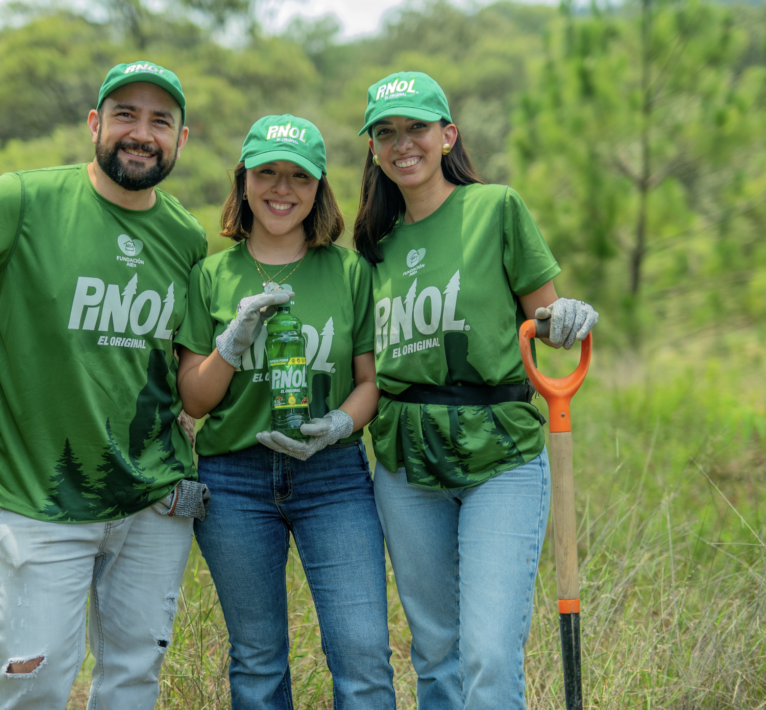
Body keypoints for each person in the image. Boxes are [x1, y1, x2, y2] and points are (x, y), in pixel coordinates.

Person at [0, 60, 210, 710]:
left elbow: (189, 371)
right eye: (125, 116)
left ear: (182, 140)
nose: (141, 133)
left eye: (159, 122)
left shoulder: (185, 237)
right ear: (95, 125)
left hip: (154, 501)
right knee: (35, 682)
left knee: (134, 679)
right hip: (44, 499)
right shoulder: (27, 201)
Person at [352, 71, 598, 710]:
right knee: (435, 654)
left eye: (417, 129)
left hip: (502, 456)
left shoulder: (497, 208)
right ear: (374, 148)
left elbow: (549, 326)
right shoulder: (373, 248)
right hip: (406, 465)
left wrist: (570, 316)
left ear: (447, 135)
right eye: (387, 133)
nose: (403, 143)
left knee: (487, 653)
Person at [175, 114, 397, 709]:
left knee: (363, 653)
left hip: (334, 479)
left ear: (320, 186)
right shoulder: (211, 276)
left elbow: (369, 381)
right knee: (257, 660)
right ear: (243, 180)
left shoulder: (351, 272)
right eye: (267, 172)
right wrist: (231, 342)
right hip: (233, 481)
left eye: (299, 176)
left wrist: (339, 426)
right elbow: (195, 399)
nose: (282, 189)